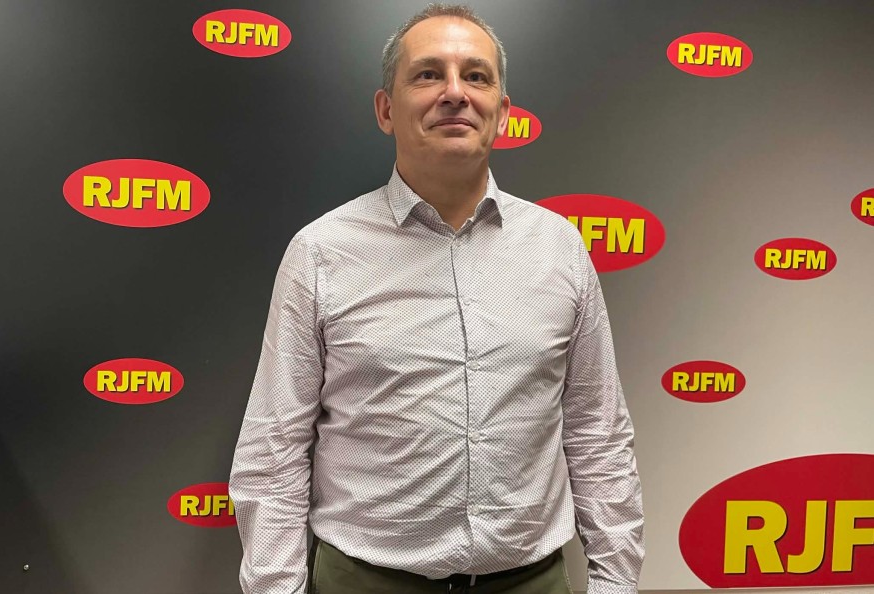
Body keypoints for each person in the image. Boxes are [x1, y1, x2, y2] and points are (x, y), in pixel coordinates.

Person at [229, 4, 644, 593]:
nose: (455, 93)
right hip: (364, 582)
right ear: (386, 110)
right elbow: (274, 453)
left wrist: (615, 584)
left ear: (502, 111)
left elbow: (597, 435)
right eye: (428, 74)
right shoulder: (321, 254)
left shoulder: (560, 249)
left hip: (530, 582)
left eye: (476, 76)